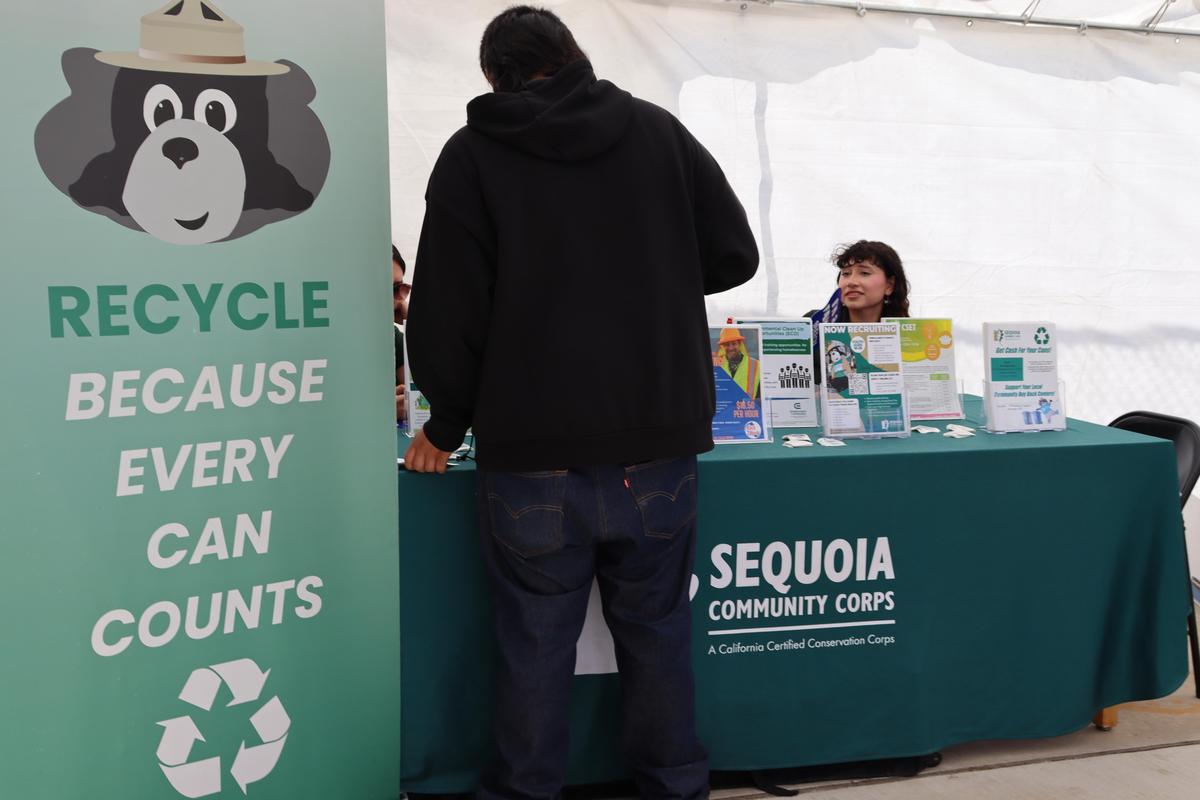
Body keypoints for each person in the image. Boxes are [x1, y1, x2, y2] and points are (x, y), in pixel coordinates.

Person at [404, 6, 758, 799]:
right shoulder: (658, 132)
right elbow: (735, 253)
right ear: (573, 54)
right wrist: (651, 276)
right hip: (657, 441)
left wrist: (444, 424)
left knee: (534, 644)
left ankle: (526, 791)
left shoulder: (473, 155)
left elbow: (446, 311)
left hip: (532, 450)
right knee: (658, 633)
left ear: (492, 77)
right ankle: (673, 786)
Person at [809, 240, 910, 382]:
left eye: (864, 273)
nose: (851, 282)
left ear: (889, 285)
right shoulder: (813, 324)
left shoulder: (907, 337)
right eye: (846, 273)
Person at [716, 327, 761, 400]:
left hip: (748, 407)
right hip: (724, 407)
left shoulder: (756, 365)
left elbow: (761, 394)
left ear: (740, 344)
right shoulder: (716, 365)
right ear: (722, 346)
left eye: (734, 344)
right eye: (727, 345)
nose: (731, 348)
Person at [393, 245, 410, 422]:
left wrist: (413, 324)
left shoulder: (392, 337)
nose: (399, 297)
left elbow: (427, 390)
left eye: (400, 287)